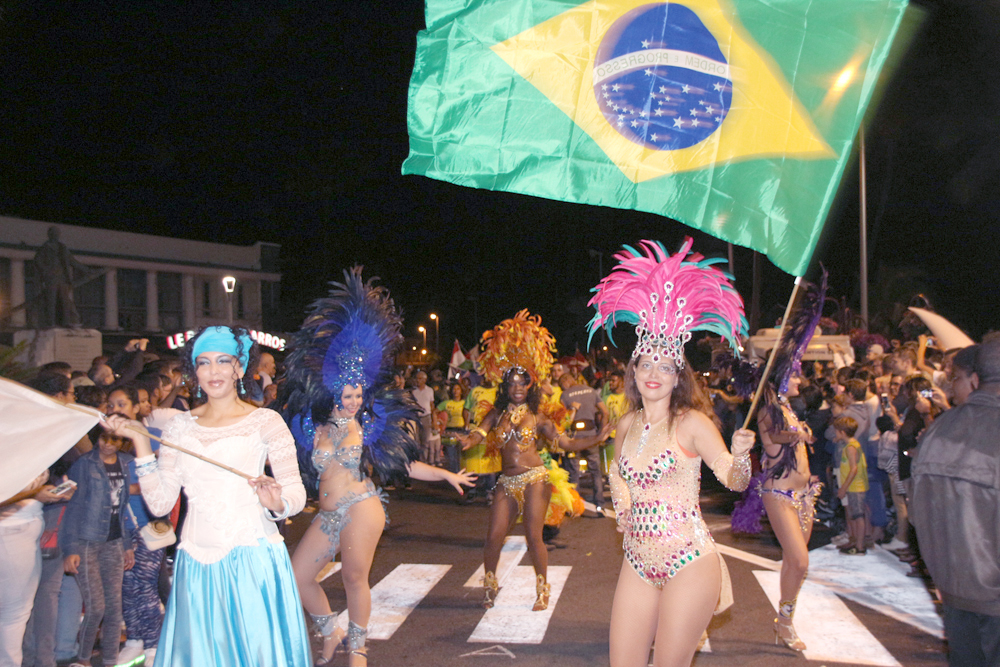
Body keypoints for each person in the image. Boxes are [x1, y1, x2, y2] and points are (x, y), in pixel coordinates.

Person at [282, 268, 475, 667]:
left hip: (361, 507)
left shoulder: (369, 424)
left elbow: (405, 467)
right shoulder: (309, 427)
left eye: (358, 394)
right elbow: (282, 459)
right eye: (347, 394)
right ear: (334, 391)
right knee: (297, 576)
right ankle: (329, 630)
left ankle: (359, 650)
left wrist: (446, 474)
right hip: (328, 513)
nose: (354, 400)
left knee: (354, 579)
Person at [587, 239, 753, 667]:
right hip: (637, 560)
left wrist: (740, 456)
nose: (654, 373)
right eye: (646, 364)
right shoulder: (626, 423)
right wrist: (623, 505)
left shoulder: (692, 423)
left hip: (689, 560)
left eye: (665, 366)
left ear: (678, 375)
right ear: (634, 371)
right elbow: (617, 473)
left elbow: (734, 481)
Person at [104, 325, 311, 667]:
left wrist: (277, 503)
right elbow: (159, 504)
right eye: (203, 362)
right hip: (197, 565)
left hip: (253, 560)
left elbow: (295, 492)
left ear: (239, 368)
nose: (213, 371)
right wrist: (141, 445)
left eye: (223, 361)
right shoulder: (178, 427)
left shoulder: (266, 421)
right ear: (194, 370)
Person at [458, 310, 610, 612]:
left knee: (533, 537)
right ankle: (490, 586)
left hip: (535, 480)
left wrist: (596, 438)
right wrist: (468, 440)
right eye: (512, 382)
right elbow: (478, 433)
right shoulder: (495, 414)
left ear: (529, 385)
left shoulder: (539, 416)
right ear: (504, 386)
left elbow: (565, 442)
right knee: (493, 537)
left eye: (522, 382)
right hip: (506, 481)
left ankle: (542, 590)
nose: (517, 387)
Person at [911, 338, 1000, 667]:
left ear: (976, 379)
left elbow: (918, 512)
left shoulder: (940, 428)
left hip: (954, 589)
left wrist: (940, 575)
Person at [60, 430, 135, 667]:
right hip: (86, 541)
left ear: (122, 441)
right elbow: (73, 507)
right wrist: (71, 547)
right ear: (96, 438)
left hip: (113, 540)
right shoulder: (85, 464)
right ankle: (83, 659)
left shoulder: (125, 462)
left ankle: (110, 659)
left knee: (114, 607)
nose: (109, 444)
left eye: (115, 440)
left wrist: (126, 544)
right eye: (104, 439)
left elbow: (123, 507)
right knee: (96, 607)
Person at [832, 416, 869, 555]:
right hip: (853, 486)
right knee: (853, 515)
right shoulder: (852, 444)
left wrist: (843, 488)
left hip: (855, 486)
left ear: (842, 432)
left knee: (858, 516)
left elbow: (853, 469)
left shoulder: (850, 448)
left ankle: (859, 546)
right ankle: (854, 541)